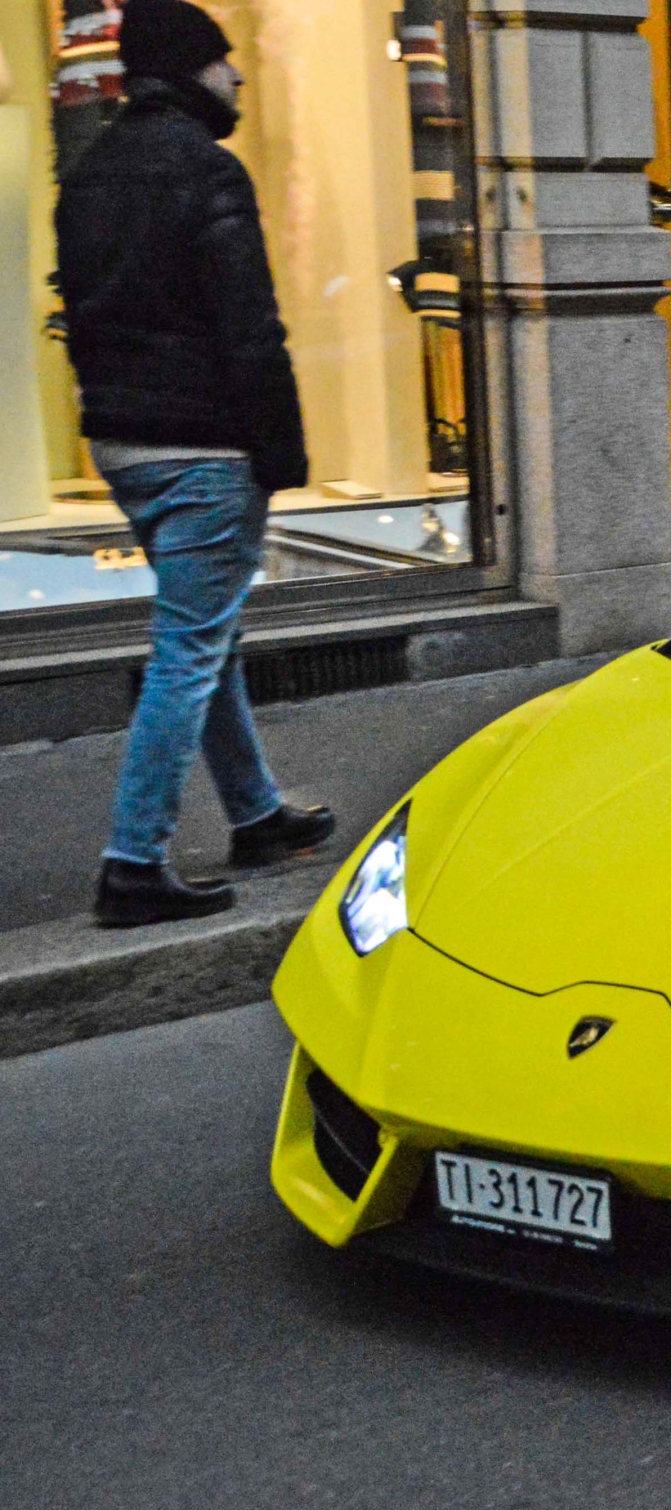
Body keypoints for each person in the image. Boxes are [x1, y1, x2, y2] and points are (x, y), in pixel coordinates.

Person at [54, 0, 333, 928]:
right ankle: (133, 863)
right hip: (204, 447)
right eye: (224, 62)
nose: (239, 77)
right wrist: (281, 451)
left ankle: (256, 814)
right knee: (189, 650)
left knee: (209, 633)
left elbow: (83, 318)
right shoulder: (208, 172)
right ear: (188, 71)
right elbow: (249, 328)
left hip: (124, 444)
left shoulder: (87, 174)